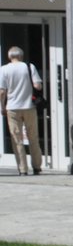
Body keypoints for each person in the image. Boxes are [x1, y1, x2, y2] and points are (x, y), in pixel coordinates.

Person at [1, 46, 44, 175]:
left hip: (13, 108)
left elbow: (2, 91)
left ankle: (22, 169)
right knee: (33, 137)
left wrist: (2, 107)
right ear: (21, 56)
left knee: (17, 139)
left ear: (9, 56)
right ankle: (37, 166)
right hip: (29, 107)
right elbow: (38, 85)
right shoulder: (29, 67)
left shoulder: (4, 69)